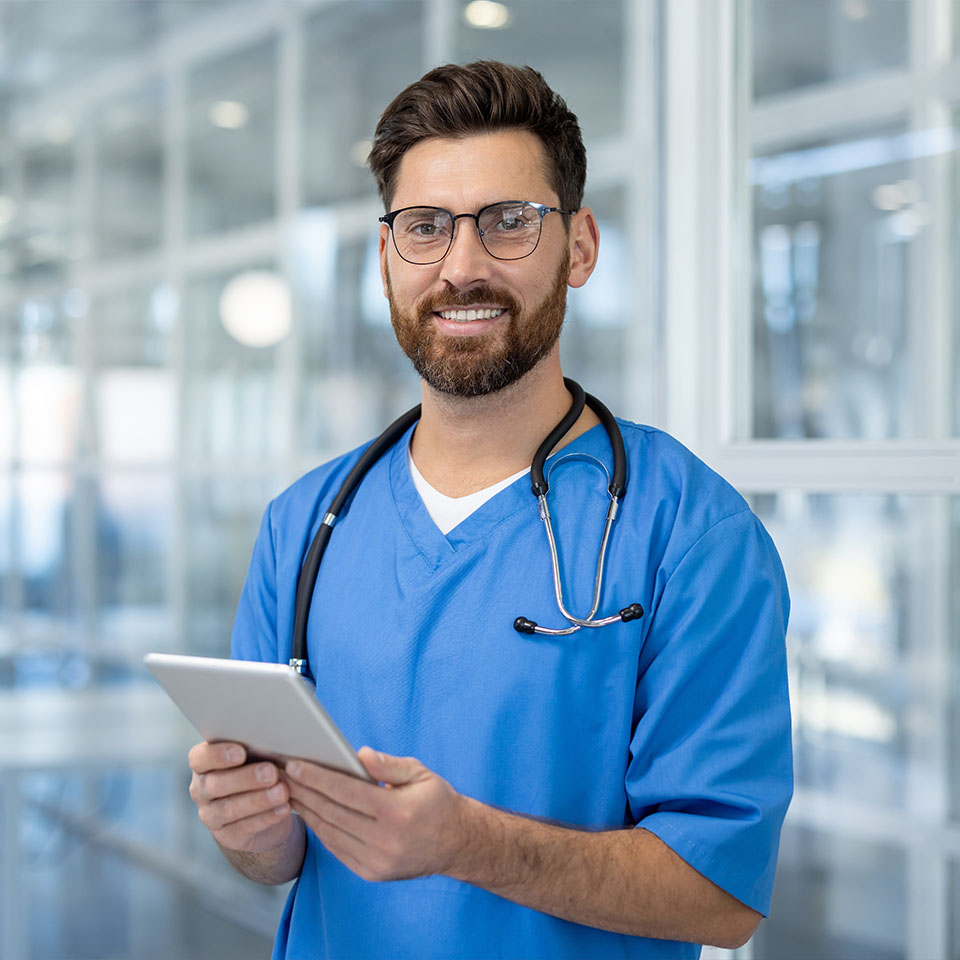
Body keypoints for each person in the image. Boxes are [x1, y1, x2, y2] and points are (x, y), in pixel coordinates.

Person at [187, 61, 792, 960]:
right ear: (387, 256)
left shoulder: (690, 534)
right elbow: (281, 860)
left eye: (509, 222)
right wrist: (249, 831)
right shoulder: (304, 524)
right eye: (425, 228)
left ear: (578, 246)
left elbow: (719, 894)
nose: (461, 267)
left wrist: (466, 845)